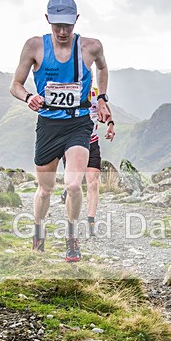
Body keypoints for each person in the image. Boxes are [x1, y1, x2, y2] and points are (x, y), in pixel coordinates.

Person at [10, 0, 113, 262]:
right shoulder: (34, 47)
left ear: (77, 20)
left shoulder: (91, 47)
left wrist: (101, 98)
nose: (63, 31)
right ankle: (38, 231)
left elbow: (103, 68)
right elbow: (15, 85)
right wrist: (28, 97)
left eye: (68, 25)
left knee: (73, 185)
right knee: (45, 189)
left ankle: (71, 238)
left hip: (78, 122)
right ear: (48, 20)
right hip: (48, 125)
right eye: (57, 25)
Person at [60, 85, 116, 237]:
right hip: (73, 145)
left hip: (92, 143)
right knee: (74, 184)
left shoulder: (97, 93)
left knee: (93, 182)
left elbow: (107, 112)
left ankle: (91, 220)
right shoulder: (70, 89)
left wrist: (110, 125)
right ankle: (71, 222)